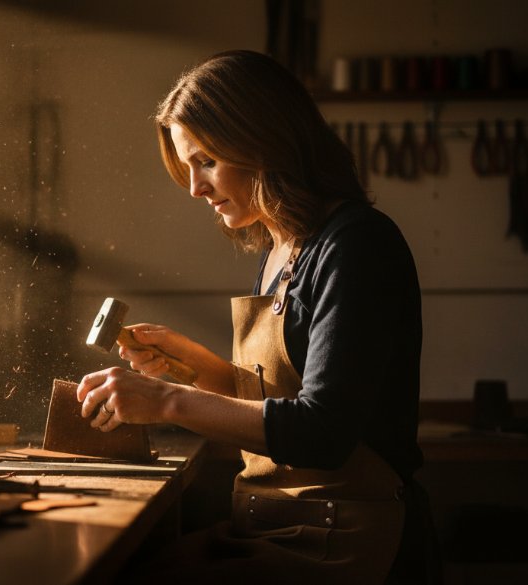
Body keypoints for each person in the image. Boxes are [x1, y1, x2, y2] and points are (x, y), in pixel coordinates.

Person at [76, 50, 433, 584]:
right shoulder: (279, 249)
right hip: (274, 525)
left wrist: (168, 400)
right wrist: (193, 368)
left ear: (261, 141)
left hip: (345, 542)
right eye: (187, 167)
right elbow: (276, 404)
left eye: (206, 162)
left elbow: (322, 433)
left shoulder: (356, 245)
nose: (195, 188)